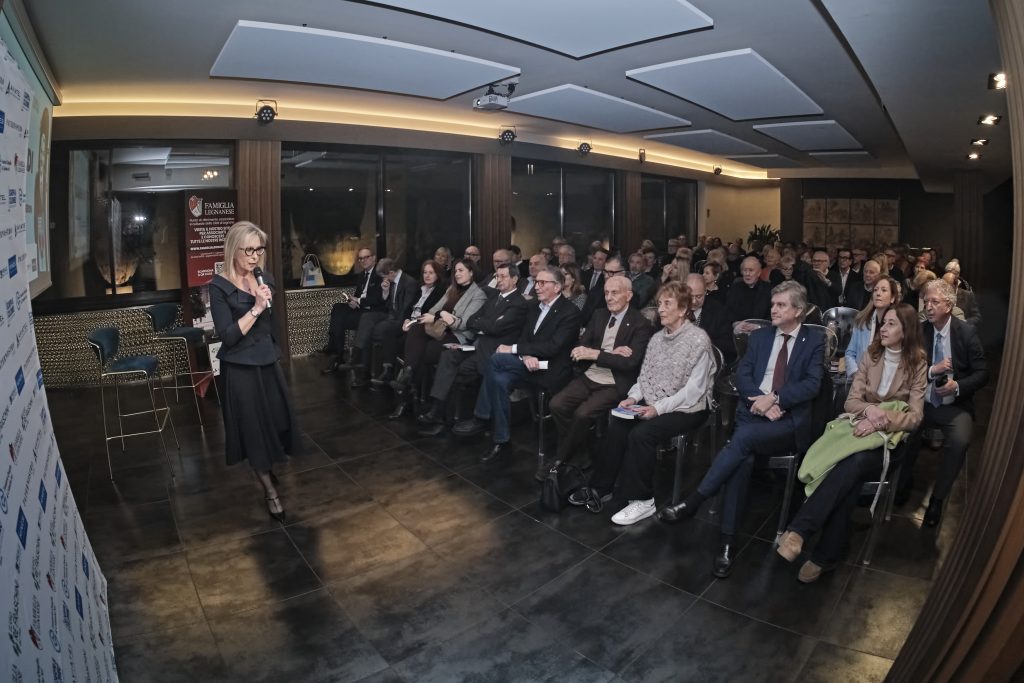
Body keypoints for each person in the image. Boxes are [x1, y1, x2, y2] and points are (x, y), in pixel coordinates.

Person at [659, 281, 825, 578]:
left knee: (741, 440)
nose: (773, 310)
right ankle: (726, 544)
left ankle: (695, 502)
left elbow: (812, 385)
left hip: (787, 422)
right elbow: (743, 375)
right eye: (773, 304)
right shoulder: (760, 337)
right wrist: (759, 401)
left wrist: (775, 398)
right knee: (742, 459)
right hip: (754, 414)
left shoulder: (813, 340)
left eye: (781, 305)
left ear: (798, 310)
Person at [777, 303, 927, 582]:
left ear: (906, 331)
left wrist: (881, 419)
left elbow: (915, 417)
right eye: (883, 322)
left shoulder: (918, 364)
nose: (883, 328)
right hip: (856, 431)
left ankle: (799, 530)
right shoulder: (871, 355)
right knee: (850, 473)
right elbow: (851, 401)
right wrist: (869, 411)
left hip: (888, 442)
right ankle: (825, 555)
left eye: (891, 324)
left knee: (853, 464)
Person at [572, 281, 713, 523]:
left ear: (682, 309)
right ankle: (601, 487)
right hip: (656, 401)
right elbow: (645, 377)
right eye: (659, 303)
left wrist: (657, 408)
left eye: (667, 304)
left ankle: (643, 500)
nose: (660, 309)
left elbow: (694, 391)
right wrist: (633, 397)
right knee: (618, 423)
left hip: (690, 408)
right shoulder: (657, 339)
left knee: (641, 434)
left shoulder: (698, 340)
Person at [453, 266, 582, 473]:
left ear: (557, 287)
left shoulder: (570, 312)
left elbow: (553, 347)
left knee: (497, 359)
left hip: (550, 370)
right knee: (498, 379)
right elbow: (524, 338)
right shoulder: (533, 307)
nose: (536, 287)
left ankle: (482, 418)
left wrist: (514, 349)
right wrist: (526, 355)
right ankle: (501, 440)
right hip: (527, 364)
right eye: (536, 282)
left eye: (542, 283)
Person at [210, 221, 298, 522]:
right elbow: (228, 336)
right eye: (248, 250)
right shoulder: (219, 286)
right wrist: (257, 307)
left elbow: (270, 324)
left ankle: (267, 468)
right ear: (233, 249)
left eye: (258, 250)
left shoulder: (264, 277)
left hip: (267, 361)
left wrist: (276, 349)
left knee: (279, 421)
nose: (254, 256)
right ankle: (270, 492)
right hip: (240, 368)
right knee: (253, 431)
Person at [898, 279, 988, 526]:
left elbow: (982, 373)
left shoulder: (966, 332)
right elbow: (907, 369)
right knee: (906, 433)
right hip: (923, 401)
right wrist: (931, 371)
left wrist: (957, 386)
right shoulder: (920, 331)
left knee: (959, 442)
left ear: (948, 305)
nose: (928, 306)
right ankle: (902, 483)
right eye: (926, 301)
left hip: (955, 405)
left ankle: (937, 500)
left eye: (934, 302)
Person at [550, 275, 652, 469]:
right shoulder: (599, 315)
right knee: (557, 404)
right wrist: (608, 353)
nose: (609, 297)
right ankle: (579, 452)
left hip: (614, 382)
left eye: (615, 293)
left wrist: (596, 353)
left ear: (629, 295)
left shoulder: (640, 323)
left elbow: (630, 363)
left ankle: (560, 458)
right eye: (606, 293)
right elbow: (581, 347)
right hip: (590, 375)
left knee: (582, 414)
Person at [417, 263, 528, 436]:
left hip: (495, 352)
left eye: (503, 276)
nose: (499, 280)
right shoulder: (493, 297)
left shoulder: (518, 303)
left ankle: (462, 419)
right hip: (478, 346)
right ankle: (438, 412)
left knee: (454, 371)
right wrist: (486, 325)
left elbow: (495, 328)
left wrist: (484, 325)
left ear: (514, 279)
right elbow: (471, 321)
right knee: (448, 357)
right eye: (497, 276)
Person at [389, 259, 487, 416]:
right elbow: (433, 309)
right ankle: (408, 376)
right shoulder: (451, 289)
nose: (457, 274)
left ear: (471, 272)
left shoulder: (478, 295)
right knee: (416, 329)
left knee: (421, 353)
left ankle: (406, 391)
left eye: (461, 270)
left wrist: (438, 317)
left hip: (456, 336)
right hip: (439, 331)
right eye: (455, 271)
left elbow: (463, 324)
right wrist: (438, 316)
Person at [370, 260, 446, 387]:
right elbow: (409, 308)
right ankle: (388, 371)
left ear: (437, 274)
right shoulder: (421, 289)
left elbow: (430, 313)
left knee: (402, 340)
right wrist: (406, 320)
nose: (427, 275)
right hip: (410, 323)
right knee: (389, 332)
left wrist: (412, 322)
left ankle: (406, 378)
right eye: (425, 272)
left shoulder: (440, 292)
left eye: (431, 273)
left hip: (422, 326)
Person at [347, 257, 419, 388]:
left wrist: (394, 321)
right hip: (389, 314)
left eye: (384, 276)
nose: (383, 279)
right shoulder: (391, 281)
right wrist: (385, 291)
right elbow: (387, 303)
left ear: (391, 273)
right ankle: (357, 355)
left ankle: (366, 373)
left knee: (371, 331)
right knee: (366, 318)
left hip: (400, 319)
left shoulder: (409, 282)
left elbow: (406, 309)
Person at [322, 248, 386, 374]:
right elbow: (358, 295)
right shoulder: (362, 275)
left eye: (366, 257)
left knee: (339, 322)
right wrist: (352, 302)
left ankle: (337, 354)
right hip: (359, 309)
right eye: (360, 258)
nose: (363, 261)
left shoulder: (380, 275)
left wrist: (359, 301)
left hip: (371, 313)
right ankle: (337, 352)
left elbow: (378, 300)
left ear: (374, 258)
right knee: (337, 308)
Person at [844, 276, 902, 378]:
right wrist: (856, 375)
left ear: (892, 298)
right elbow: (850, 353)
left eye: (884, 290)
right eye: (875, 290)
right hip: (860, 379)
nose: (878, 293)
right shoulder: (861, 321)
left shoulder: (900, 324)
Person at [687, 273, 732, 363]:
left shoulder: (719, 311)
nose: (694, 301)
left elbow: (728, 345)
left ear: (705, 292)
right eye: (690, 296)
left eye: (698, 296)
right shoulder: (673, 308)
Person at [725, 256, 772, 324]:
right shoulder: (735, 288)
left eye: (751, 270)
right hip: (737, 327)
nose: (747, 274)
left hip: (760, 328)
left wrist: (758, 326)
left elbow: (771, 315)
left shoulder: (768, 290)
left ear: (759, 273)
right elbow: (728, 311)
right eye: (745, 270)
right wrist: (735, 323)